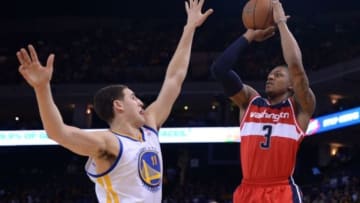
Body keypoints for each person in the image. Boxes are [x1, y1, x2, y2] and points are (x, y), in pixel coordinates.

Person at [16, 0, 213, 202]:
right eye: (133, 97)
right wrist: (42, 88)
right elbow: (57, 132)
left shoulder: (149, 127)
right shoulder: (109, 143)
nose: (140, 103)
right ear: (118, 105)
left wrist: (189, 28)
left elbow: (174, 78)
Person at [211, 0, 316, 202]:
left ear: (291, 85)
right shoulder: (250, 101)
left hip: (281, 191)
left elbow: (295, 66)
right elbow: (220, 69)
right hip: (247, 190)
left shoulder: (298, 108)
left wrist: (281, 23)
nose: (270, 77)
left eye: (277, 75)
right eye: (269, 75)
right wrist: (249, 35)